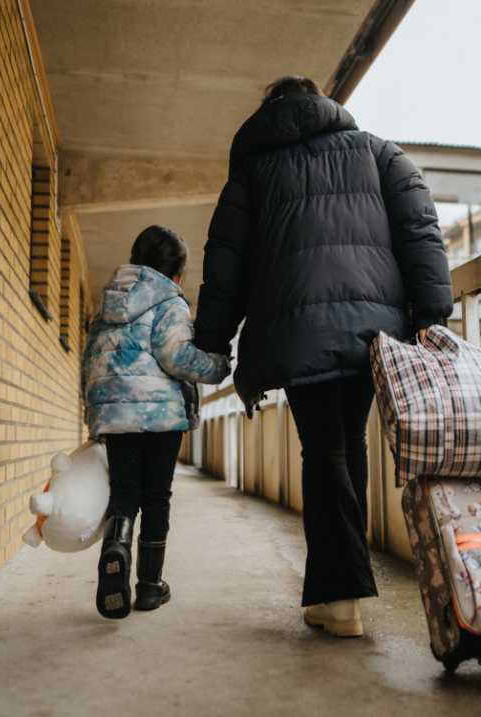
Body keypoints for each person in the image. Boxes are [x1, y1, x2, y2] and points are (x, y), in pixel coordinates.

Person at [193, 77, 453, 637]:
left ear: (271, 111)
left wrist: (212, 340)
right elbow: (420, 231)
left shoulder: (253, 172)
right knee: (349, 443)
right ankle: (347, 588)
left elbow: (226, 264)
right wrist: (432, 316)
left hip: (297, 330)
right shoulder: (380, 152)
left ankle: (340, 599)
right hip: (373, 332)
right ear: (322, 103)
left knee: (323, 449)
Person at [83, 226, 230, 619]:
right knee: (156, 498)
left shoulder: (107, 305)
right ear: (178, 273)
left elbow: (90, 362)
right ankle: (149, 587)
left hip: (115, 416)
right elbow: (177, 357)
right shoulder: (170, 301)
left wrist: (95, 416)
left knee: (125, 494)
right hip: (161, 415)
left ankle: (116, 548)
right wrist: (218, 366)